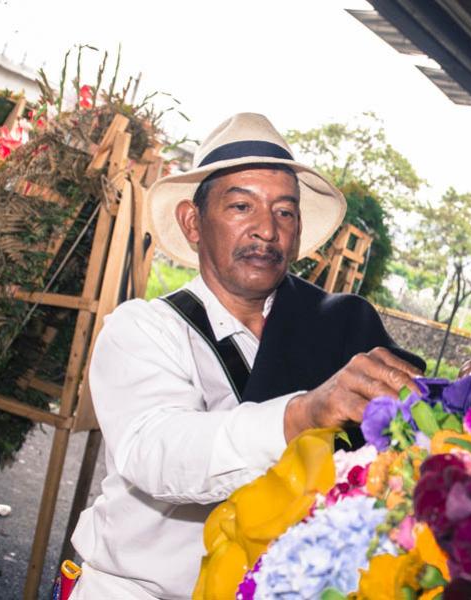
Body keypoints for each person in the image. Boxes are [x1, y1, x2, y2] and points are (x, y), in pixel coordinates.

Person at [70, 113, 425, 599]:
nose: (266, 230)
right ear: (193, 222)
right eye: (241, 206)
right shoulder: (145, 330)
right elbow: (157, 452)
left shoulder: (341, 327)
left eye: (285, 212)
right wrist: (303, 415)